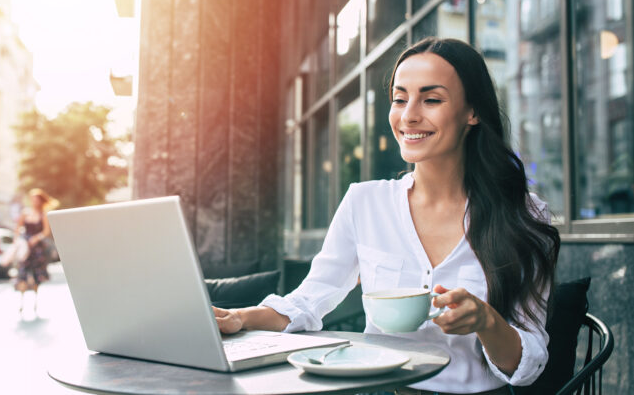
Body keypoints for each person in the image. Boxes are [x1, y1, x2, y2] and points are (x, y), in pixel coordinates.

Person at [213, 38, 560, 394]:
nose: (408, 115)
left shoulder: (524, 215)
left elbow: (529, 364)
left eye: (431, 99)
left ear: (472, 112)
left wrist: (486, 321)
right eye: (399, 98)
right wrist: (239, 317)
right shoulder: (364, 203)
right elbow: (309, 300)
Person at [14, 188, 58, 314]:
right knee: (22, 274)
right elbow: (17, 229)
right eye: (32, 198)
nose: (34, 201)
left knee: (36, 276)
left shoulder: (43, 215)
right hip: (25, 248)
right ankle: (21, 302)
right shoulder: (25, 213)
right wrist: (17, 242)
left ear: (40, 201)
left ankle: (35, 301)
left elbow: (46, 231)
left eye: (36, 199)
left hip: (37, 248)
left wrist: (36, 238)